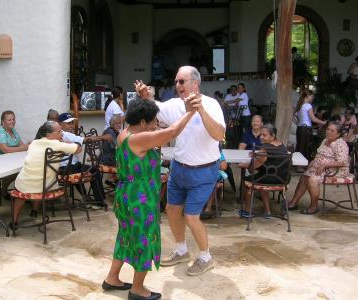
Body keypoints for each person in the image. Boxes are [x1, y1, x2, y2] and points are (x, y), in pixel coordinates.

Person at [135, 66, 226, 276]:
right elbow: (156, 109)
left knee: (191, 216)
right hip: (179, 167)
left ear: (196, 83)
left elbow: (219, 135)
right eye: (176, 81)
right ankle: (181, 249)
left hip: (204, 170)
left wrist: (200, 110)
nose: (178, 86)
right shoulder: (175, 104)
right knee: (171, 209)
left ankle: (205, 257)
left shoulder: (211, 105)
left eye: (182, 81)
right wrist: (146, 97)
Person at [102, 99, 196, 300]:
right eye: (154, 121)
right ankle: (137, 289)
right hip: (139, 198)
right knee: (144, 239)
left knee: (126, 235)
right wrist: (190, 112)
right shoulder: (139, 139)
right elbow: (171, 133)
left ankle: (112, 278)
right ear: (143, 122)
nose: (156, 125)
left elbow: (140, 161)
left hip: (127, 194)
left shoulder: (124, 134)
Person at [11, 121, 81, 225]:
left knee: (27, 182)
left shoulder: (34, 143)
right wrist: (66, 143)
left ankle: (14, 221)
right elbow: (79, 148)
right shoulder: (58, 144)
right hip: (47, 187)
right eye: (59, 131)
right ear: (49, 134)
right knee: (40, 179)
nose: (62, 133)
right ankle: (34, 210)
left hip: (25, 186)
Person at [288, 121, 351, 214]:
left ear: (338, 134)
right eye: (328, 129)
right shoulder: (325, 140)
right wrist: (314, 161)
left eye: (332, 131)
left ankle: (314, 207)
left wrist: (325, 165)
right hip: (322, 169)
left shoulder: (341, 144)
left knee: (312, 179)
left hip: (336, 171)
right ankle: (293, 203)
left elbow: (342, 162)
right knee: (304, 177)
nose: (328, 132)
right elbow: (320, 154)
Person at [238, 124, 288, 218]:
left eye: (264, 135)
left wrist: (244, 165)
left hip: (267, 179)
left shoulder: (265, 149)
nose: (261, 137)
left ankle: (247, 210)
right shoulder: (282, 146)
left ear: (272, 136)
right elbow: (270, 161)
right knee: (262, 175)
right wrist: (257, 154)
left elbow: (253, 167)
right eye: (261, 134)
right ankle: (267, 210)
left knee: (248, 180)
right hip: (283, 180)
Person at [0, 110, 30, 198]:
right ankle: (4, 190)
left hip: (8, 158)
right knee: (17, 170)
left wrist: (27, 147)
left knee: (23, 168)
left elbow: (21, 145)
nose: (12, 122)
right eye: (9, 120)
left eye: (13, 119)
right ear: (3, 121)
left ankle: (7, 190)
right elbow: (5, 150)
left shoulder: (12, 130)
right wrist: (25, 147)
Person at [294, 89, 326, 170]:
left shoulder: (299, 105)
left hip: (300, 128)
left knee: (300, 146)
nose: (312, 98)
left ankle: (299, 166)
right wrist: (324, 122)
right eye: (312, 96)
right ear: (308, 96)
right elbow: (313, 119)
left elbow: (296, 118)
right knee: (306, 147)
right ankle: (303, 166)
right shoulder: (308, 106)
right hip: (306, 128)